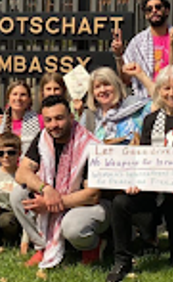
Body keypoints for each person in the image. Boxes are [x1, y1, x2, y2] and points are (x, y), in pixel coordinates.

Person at [106, 65, 173, 282]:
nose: (171, 93)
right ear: (159, 91)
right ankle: (122, 260)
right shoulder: (151, 121)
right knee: (120, 203)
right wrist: (135, 181)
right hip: (153, 190)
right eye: (166, 88)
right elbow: (143, 158)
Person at [11, 95, 110, 269]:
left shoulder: (90, 145)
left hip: (87, 206)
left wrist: (52, 203)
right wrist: (46, 189)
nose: (53, 125)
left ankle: (91, 247)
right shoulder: (43, 138)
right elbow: (22, 172)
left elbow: (93, 195)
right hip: (53, 197)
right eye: (48, 120)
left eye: (59, 118)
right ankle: (43, 246)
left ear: (71, 117)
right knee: (17, 195)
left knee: (73, 226)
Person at [115, 0, 173, 98]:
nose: (154, 11)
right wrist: (118, 55)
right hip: (144, 101)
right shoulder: (137, 43)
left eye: (158, 7)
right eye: (149, 9)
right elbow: (125, 80)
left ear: (167, 11)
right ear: (146, 15)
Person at [80, 67, 151, 145]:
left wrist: (141, 75)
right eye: (97, 87)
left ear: (116, 86)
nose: (102, 90)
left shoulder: (135, 107)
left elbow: (160, 102)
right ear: (92, 92)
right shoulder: (88, 117)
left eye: (107, 84)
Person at [0, 81, 43, 151]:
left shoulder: (39, 121)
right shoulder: (0, 123)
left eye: (23, 95)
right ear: (8, 98)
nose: (18, 98)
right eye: (15, 94)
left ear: (29, 99)